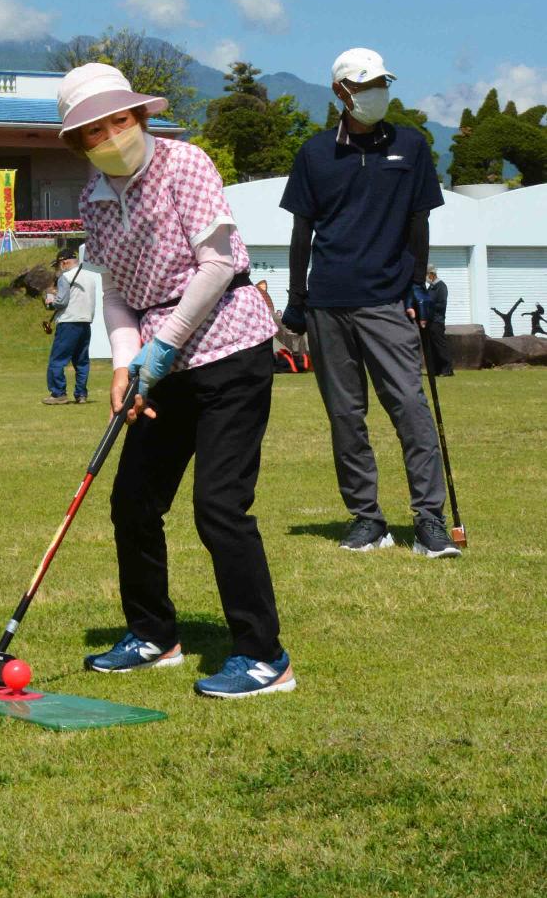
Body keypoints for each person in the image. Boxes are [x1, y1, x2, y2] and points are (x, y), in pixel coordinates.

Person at [60, 62, 294, 701]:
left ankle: (264, 656)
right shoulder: (93, 198)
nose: (112, 135)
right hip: (159, 364)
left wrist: (161, 347)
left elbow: (218, 263)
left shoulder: (185, 164)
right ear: (80, 141)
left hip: (228, 350)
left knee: (219, 506)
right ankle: (153, 635)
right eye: (95, 129)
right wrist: (122, 364)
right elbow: (115, 292)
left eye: (120, 119)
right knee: (133, 501)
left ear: (140, 116)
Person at [279, 48, 459, 559]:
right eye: (368, 84)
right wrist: (297, 300)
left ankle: (430, 520)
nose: (379, 91)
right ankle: (367, 519)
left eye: (382, 81)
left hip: (387, 301)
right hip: (328, 303)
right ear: (342, 91)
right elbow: (301, 231)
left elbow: (418, 222)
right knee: (345, 415)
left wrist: (418, 288)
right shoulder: (315, 153)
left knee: (409, 407)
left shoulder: (412, 146)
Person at [43, 246, 96, 404]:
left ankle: (58, 393)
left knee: (57, 359)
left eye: (58, 265)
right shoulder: (90, 277)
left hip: (68, 322)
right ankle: (81, 395)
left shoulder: (65, 278)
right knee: (82, 361)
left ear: (64, 263)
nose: (58, 269)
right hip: (85, 322)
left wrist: (50, 302)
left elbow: (62, 302)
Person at [424, 268, 454, 376]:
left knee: (440, 346)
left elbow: (442, 304)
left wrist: (429, 305)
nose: (426, 278)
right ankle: (436, 369)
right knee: (432, 347)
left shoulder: (441, 286)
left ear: (432, 274)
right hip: (430, 321)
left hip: (437, 321)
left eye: (426, 275)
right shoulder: (431, 287)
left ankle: (447, 369)